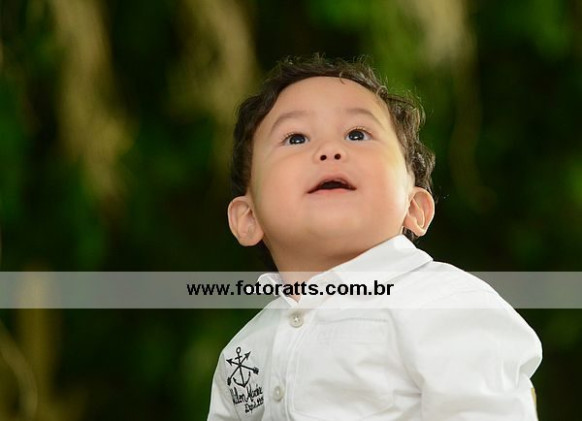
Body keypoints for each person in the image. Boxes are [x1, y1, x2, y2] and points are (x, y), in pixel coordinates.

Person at [207, 56, 542, 421]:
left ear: (414, 207)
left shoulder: (443, 303)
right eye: (296, 138)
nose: (330, 150)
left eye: (357, 134)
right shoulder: (242, 355)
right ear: (248, 218)